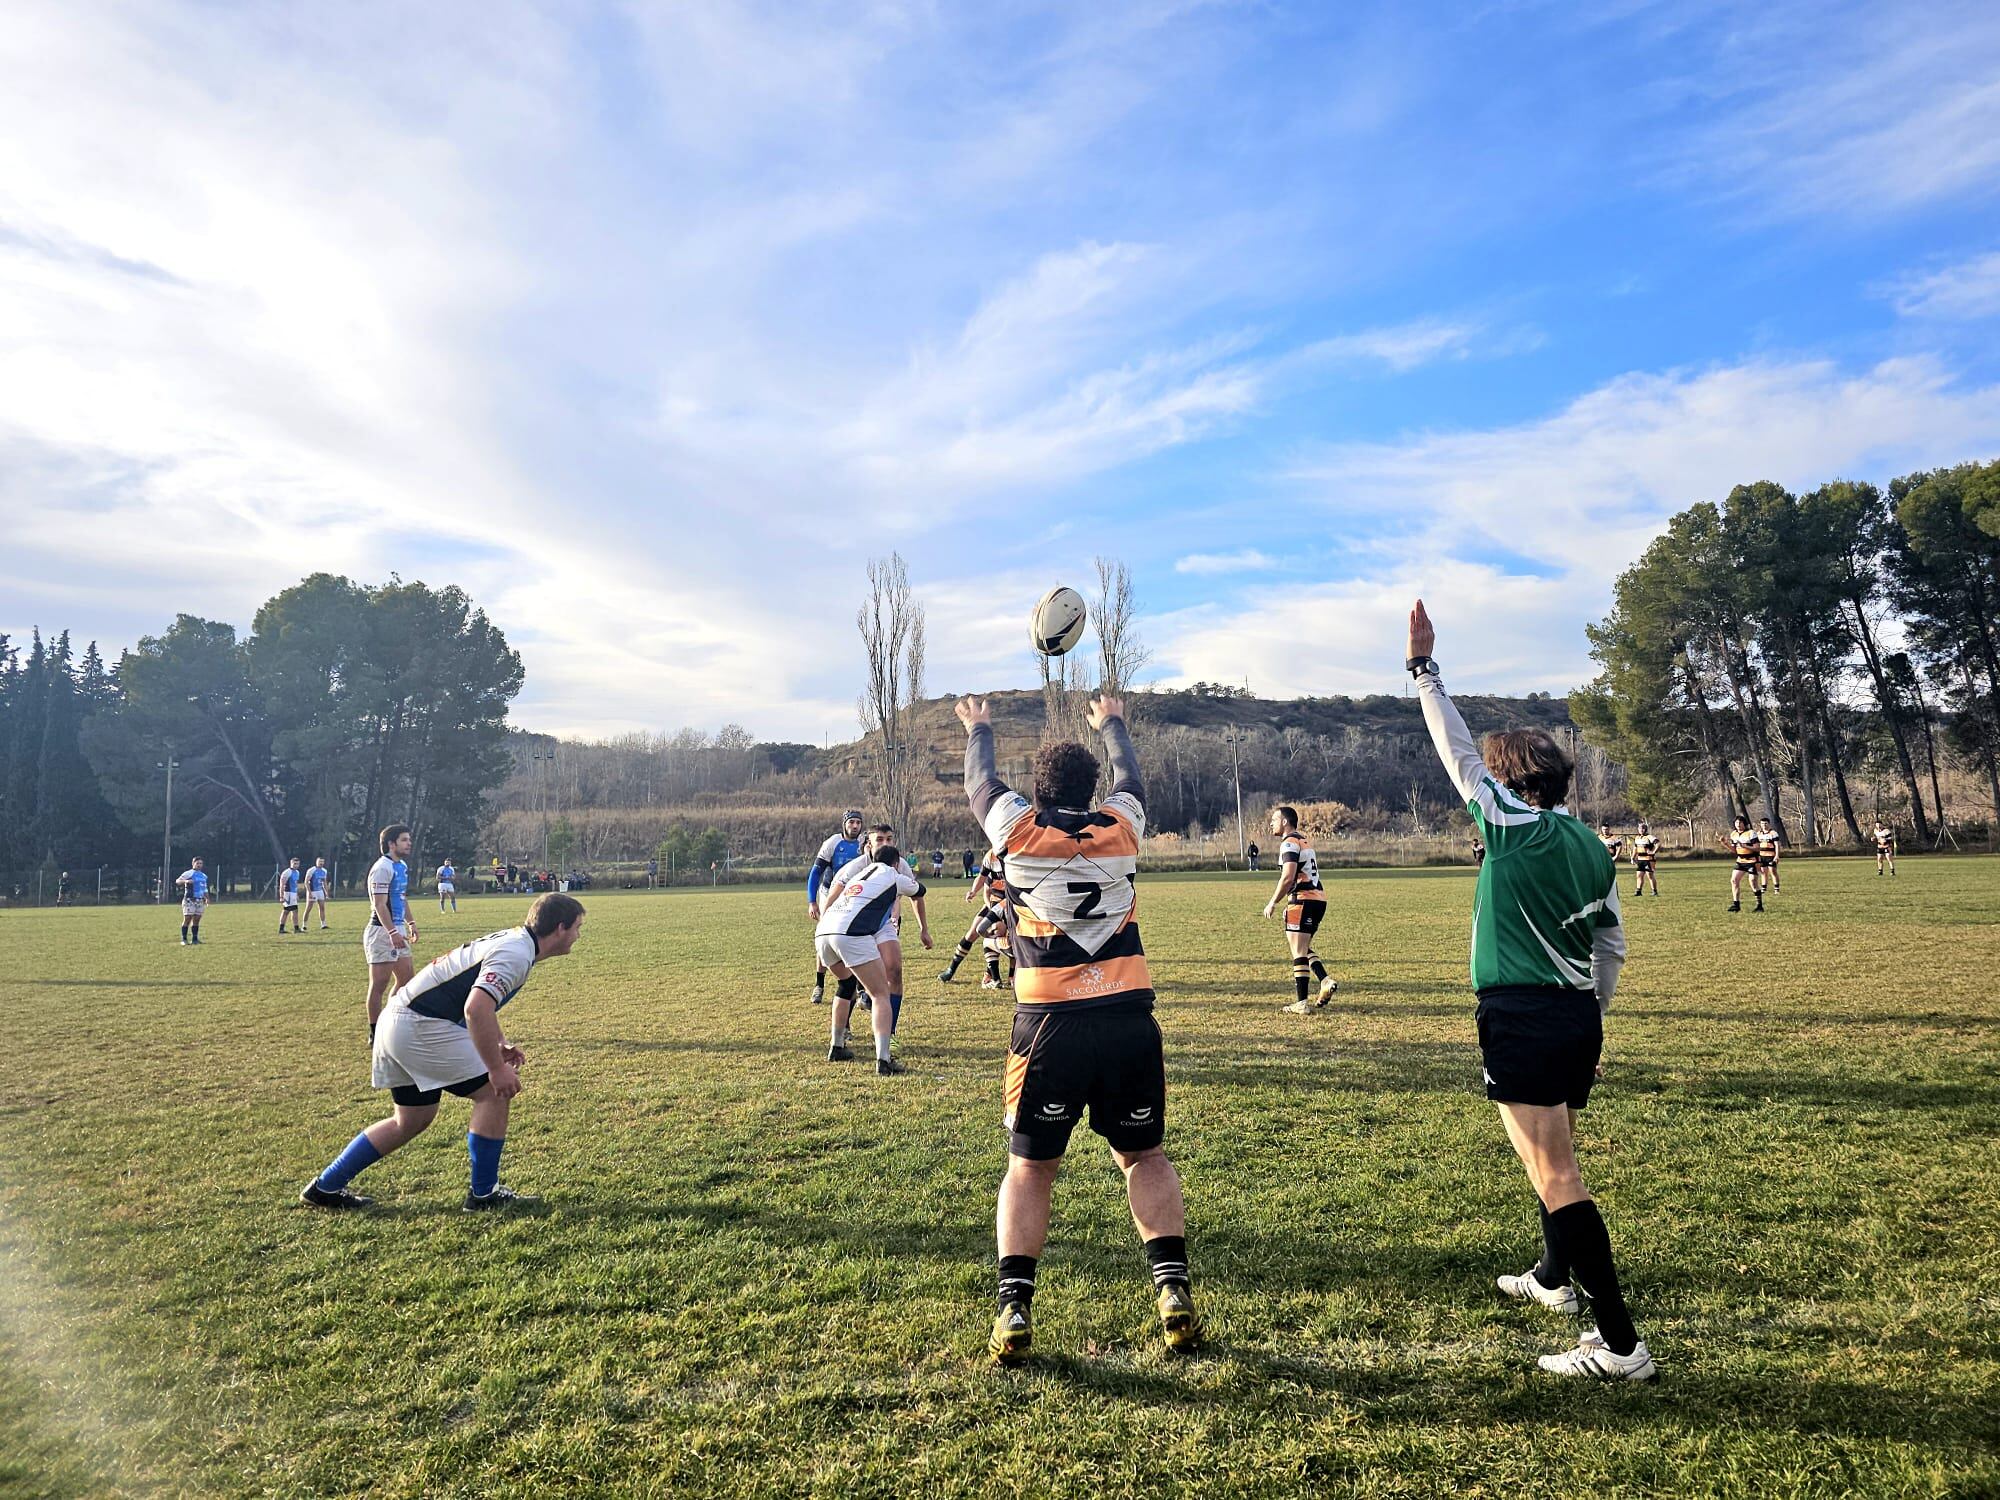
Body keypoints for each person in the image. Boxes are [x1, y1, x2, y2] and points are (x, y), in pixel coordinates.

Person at [1407, 599, 1651, 1380]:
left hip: (1525, 1014)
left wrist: (1423, 672)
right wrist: (1594, 1022)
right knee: (1548, 1154)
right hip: (1573, 1014)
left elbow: (1457, 755)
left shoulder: (1513, 824)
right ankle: (1553, 1279)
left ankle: (1620, 1345)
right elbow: (1611, 945)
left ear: (1515, 785)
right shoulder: (1593, 844)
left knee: (1556, 1171)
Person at [957, 691, 1200, 1366]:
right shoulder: (1122, 827)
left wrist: (980, 728)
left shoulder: (1018, 830)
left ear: (1037, 790)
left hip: (1050, 1026)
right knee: (1145, 1157)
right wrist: (1112, 723)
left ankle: (1013, 1308)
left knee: (1031, 1169)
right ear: (1092, 787)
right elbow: (1133, 780)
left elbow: (981, 783)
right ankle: (1172, 1291)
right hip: (1127, 1017)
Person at [299, 892, 586, 1212]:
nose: (578, 935)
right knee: (494, 1093)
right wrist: (495, 1068)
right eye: (577, 927)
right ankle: (483, 1194)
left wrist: (498, 1044)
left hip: (398, 1021)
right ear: (560, 928)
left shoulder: (516, 942)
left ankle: (326, 1186)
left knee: (411, 1119)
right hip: (419, 1026)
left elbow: (475, 1004)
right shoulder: (517, 953)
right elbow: (475, 1009)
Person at [815, 846, 925, 1074]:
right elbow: (919, 891)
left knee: (845, 985)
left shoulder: (859, 874)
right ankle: (884, 1060)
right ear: (895, 863)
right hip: (850, 933)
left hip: (823, 932)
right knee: (880, 994)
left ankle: (836, 1046)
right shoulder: (893, 875)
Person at [826, 823, 934, 1049]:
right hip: (853, 925)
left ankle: (889, 1033)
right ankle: (844, 1028)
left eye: (889, 839)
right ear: (868, 845)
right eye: (879, 840)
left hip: (883, 923)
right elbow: (834, 895)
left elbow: (916, 895)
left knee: (894, 970)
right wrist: (828, 928)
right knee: (851, 977)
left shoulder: (899, 864)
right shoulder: (855, 867)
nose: (885, 844)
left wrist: (923, 929)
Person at [1262, 806, 1338, 1013]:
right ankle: (1325, 980)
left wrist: (1273, 902)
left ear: (1285, 822)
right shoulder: (1303, 840)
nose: (1271, 823)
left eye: (1274, 819)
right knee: (1302, 947)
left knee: (1297, 950)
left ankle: (1301, 1002)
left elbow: (1288, 877)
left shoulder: (1289, 843)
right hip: (1318, 899)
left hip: (1302, 900)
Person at [806, 812, 868, 1006]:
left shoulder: (865, 844)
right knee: (824, 938)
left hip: (854, 896)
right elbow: (816, 872)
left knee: (855, 939)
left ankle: (860, 989)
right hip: (830, 894)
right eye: (852, 822)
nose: (855, 826)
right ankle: (819, 985)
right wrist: (812, 901)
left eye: (858, 822)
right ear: (844, 824)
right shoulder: (833, 843)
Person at [365, 825, 420, 1038]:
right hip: (381, 931)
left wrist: (411, 922)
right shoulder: (382, 868)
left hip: (396, 928)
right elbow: (379, 904)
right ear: (391, 844)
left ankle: (390, 1020)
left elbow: (401, 897)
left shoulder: (401, 866)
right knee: (379, 984)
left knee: (407, 978)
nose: (409, 843)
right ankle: (375, 1031)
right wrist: (391, 932)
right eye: (404, 840)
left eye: (409, 839)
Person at [939, 850, 1012, 987]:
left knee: (1000, 933)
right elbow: (983, 881)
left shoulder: (1017, 853)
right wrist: (974, 892)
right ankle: (951, 969)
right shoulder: (991, 856)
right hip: (993, 904)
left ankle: (996, 975)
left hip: (1012, 906)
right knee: (972, 933)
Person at [1727, 816, 1761, 912]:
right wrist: (1725, 844)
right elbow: (1735, 850)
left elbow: (1757, 848)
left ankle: (1759, 905)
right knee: (1734, 880)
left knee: (1753, 882)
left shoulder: (1751, 833)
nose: (1738, 825)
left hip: (1752, 861)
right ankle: (1736, 905)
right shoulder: (1733, 834)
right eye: (1736, 823)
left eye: (1740, 823)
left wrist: (1744, 846)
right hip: (1740, 861)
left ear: (1744, 824)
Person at [175, 857, 210, 944]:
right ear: (193, 863)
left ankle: (195, 939)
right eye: (197, 863)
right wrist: (186, 881)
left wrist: (207, 898)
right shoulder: (189, 873)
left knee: (197, 919)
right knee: (187, 918)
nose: (199, 865)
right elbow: (177, 881)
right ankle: (184, 939)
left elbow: (204, 888)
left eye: (201, 863)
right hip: (189, 899)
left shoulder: (204, 876)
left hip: (200, 900)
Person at [1630, 823, 1660, 896]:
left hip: (1649, 859)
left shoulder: (1649, 837)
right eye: (1640, 828)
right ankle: (1638, 891)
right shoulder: (1637, 838)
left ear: (1645, 829)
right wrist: (1632, 857)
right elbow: (1635, 848)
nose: (1641, 830)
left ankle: (1654, 891)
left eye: (1643, 828)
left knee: (1650, 875)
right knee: (1639, 875)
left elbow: (1658, 843)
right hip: (1640, 859)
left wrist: (1653, 852)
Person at [1755, 818, 1782, 894]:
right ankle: (1764, 888)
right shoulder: (1758, 834)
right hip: (1762, 856)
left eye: (1765, 823)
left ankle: (1776, 888)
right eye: (1762, 823)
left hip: (1771, 856)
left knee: (1773, 871)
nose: (1764, 825)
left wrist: (1777, 856)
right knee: (1763, 872)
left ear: (1769, 824)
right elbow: (1757, 845)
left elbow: (1777, 845)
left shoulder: (1773, 833)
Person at [278, 858, 304, 934]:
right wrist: (281, 896)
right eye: (294, 864)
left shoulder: (297, 872)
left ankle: (296, 928)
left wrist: (296, 894)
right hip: (288, 893)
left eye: (297, 864)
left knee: (295, 910)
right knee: (286, 911)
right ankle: (281, 929)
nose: (296, 865)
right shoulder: (287, 872)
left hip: (293, 894)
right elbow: (282, 884)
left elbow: (295, 884)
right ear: (291, 863)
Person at [305, 857, 331, 928]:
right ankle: (304, 925)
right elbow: (306, 882)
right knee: (308, 908)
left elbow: (324, 882)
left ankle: (323, 924)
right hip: (313, 891)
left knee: (322, 908)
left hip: (320, 891)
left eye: (322, 862)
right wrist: (309, 893)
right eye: (320, 862)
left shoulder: (324, 871)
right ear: (316, 862)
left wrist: (326, 893)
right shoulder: (312, 870)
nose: (321, 863)